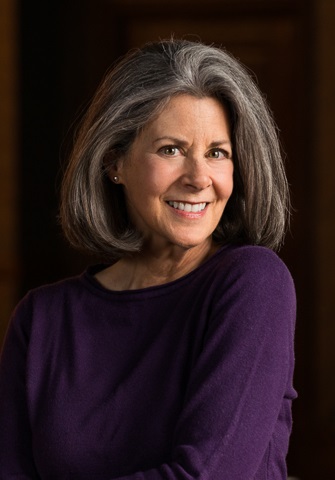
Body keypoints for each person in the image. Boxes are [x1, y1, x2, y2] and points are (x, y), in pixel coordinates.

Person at [0, 38, 296, 479]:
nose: (199, 179)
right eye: (171, 149)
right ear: (114, 161)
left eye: (217, 153)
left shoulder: (253, 284)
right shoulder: (42, 320)